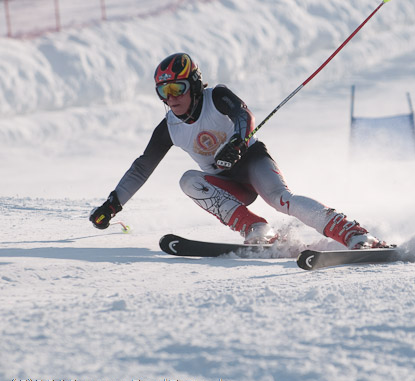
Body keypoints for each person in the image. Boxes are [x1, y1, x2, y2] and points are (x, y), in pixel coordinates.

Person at [89, 53, 386, 249]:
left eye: (176, 89)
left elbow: (245, 117)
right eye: (163, 93)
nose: (171, 99)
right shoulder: (168, 127)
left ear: (193, 84)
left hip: (251, 162)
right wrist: (112, 205)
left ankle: (354, 234)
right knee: (188, 180)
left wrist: (237, 144)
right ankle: (256, 229)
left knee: (281, 199)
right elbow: (142, 168)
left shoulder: (215, 97)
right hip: (228, 184)